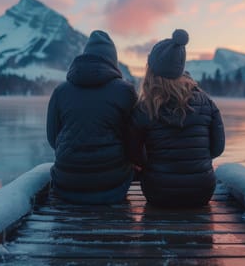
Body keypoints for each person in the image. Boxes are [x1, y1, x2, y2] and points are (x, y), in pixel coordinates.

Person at [129, 29, 225, 207]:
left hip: (158, 193)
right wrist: (196, 160)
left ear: (151, 70)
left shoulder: (145, 108)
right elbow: (217, 148)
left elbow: (134, 154)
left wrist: (153, 164)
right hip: (201, 192)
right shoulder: (206, 102)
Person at [46, 30, 137, 204]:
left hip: (67, 183)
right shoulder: (125, 91)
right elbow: (133, 142)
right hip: (113, 185)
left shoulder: (60, 91)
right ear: (113, 60)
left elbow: (53, 139)